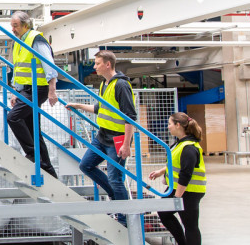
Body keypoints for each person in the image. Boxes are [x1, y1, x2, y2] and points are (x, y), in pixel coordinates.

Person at [65, 50, 136, 225]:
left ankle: (123, 219)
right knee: (86, 165)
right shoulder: (105, 84)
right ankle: (114, 194)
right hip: (102, 136)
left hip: (118, 139)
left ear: (108, 64)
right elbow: (100, 108)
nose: (94, 67)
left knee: (115, 177)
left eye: (97, 63)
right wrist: (78, 105)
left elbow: (130, 117)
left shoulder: (121, 85)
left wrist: (126, 145)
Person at [8, 11, 58, 178]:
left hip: (39, 89)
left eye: (15, 25)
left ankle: (32, 154)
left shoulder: (35, 39)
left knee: (13, 117)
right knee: (33, 130)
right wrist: (16, 91)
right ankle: (48, 170)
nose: (13, 29)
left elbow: (48, 64)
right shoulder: (18, 42)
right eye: (12, 26)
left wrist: (52, 90)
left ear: (25, 25)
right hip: (26, 89)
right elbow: (19, 68)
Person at [148, 112, 206, 245]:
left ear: (178, 125)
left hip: (189, 191)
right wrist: (161, 171)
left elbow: (186, 173)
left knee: (190, 226)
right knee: (164, 212)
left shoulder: (189, 148)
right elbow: (177, 163)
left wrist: (177, 197)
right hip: (178, 188)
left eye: (170, 124)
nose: (168, 127)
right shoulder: (180, 144)